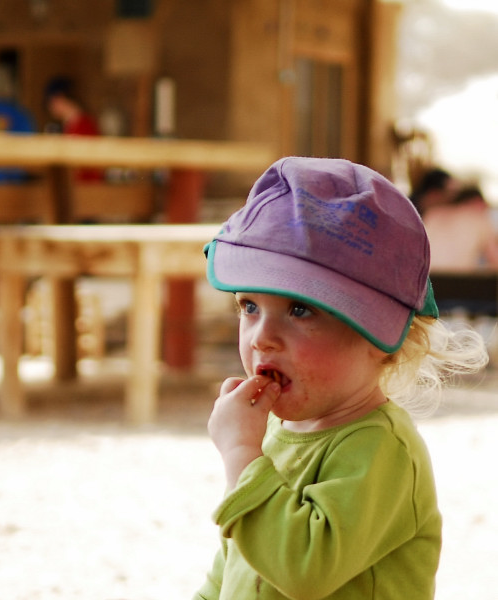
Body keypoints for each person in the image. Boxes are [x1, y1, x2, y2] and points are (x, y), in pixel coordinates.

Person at [194, 157, 488, 600]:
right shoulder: (272, 432)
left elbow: (305, 569)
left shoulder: (381, 450)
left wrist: (240, 454)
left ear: (378, 336)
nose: (262, 337)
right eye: (249, 306)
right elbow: (236, 561)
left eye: (300, 310)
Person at [423, 184, 498, 271]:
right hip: (457, 277)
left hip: (423, 276)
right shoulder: (479, 218)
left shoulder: (432, 214)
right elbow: (495, 260)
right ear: (477, 202)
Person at [43, 76, 103, 182]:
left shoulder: (84, 124)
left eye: (51, 101)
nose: (50, 107)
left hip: (87, 185)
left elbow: (83, 165)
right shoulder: (72, 124)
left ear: (60, 98)